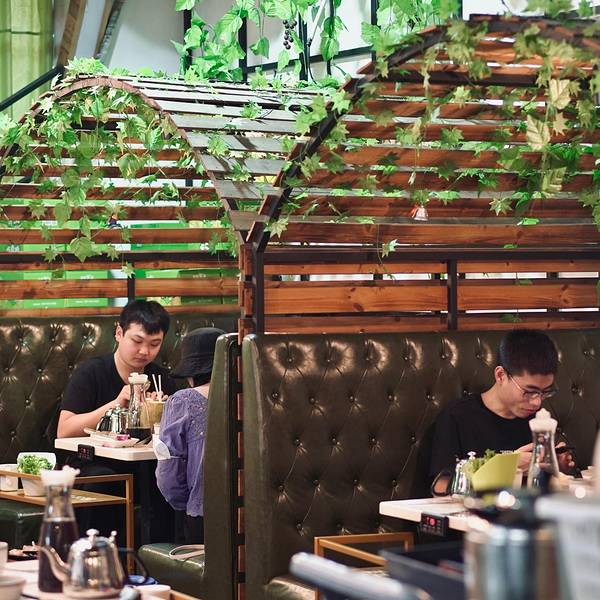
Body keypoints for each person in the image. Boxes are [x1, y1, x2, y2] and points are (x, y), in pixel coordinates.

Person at [429, 329, 574, 485]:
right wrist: (506, 466)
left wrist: (555, 467)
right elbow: (441, 488)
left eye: (545, 392)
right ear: (501, 376)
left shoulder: (537, 419)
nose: (537, 402)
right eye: (529, 391)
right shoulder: (458, 416)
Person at [58, 299, 177, 438]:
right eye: (137, 341)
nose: (145, 351)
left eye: (154, 344)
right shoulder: (91, 372)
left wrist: (162, 411)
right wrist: (117, 404)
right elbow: (64, 431)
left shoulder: (162, 379)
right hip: (95, 452)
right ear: (119, 333)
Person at [155, 327, 225, 544]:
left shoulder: (182, 401)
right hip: (255, 512)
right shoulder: (251, 396)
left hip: (203, 514)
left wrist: (187, 504)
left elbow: (168, 475)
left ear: (191, 373)